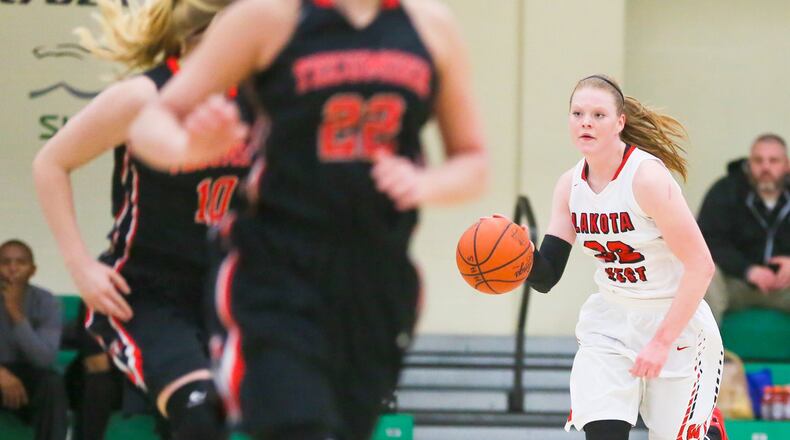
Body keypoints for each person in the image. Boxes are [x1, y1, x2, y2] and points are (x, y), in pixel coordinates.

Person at [127, 0, 489, 438]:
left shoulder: (431, 25)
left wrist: (423, 183)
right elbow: (152, 120)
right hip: (277, 269)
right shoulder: (268, 17)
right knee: (297, 427)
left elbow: (473, 161)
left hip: (377, 275)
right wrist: (189, 148)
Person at [31, 0, 248, 438]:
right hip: (146, 293)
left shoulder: (261, 99)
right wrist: (81, 267)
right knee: (200, 411)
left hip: (229, 289)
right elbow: (50, 163)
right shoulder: (143, 97)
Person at [523, 75, 727, 440]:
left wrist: (661, 342)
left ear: (620, 123)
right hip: (610, 321)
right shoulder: (569, 186)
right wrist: (521, 259)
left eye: (599, 114)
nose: (586, 121)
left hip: (675, 321)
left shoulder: (647, 178)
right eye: (578, 113)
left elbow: (701, 265)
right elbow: (547, 276)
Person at [698, 133, 790, 324]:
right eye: (758, 160)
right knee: (704, 274)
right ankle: (706, 353)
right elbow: (706, 239)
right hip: (736, 283)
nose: (765, 167)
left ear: (787, 165)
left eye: (773, 161)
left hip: (785, 287)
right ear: (749, 164)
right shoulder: (725, 190)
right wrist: (748, 270)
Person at [0, 239, 68, 440]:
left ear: (33, 270)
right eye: (5, 262)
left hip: (30, 375)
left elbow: (44, 359)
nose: (12, 268)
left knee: (52, 383)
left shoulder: (47, 302)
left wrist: (15, 311)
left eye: (20, 262)